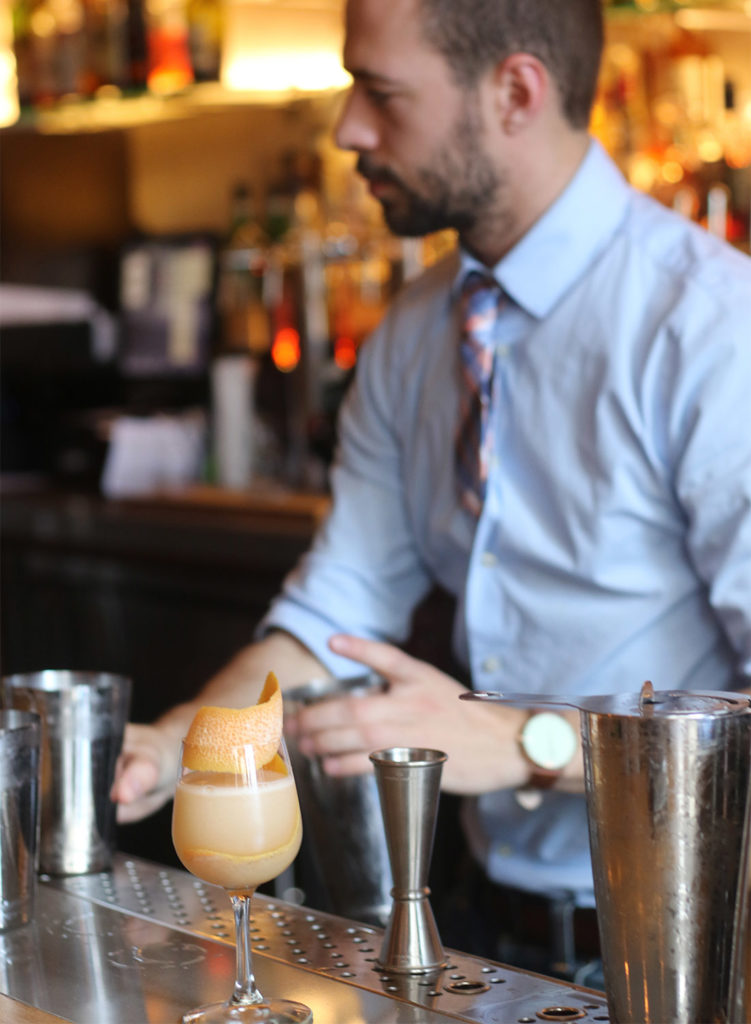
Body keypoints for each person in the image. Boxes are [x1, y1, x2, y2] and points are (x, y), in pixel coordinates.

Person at [113, 0, 751, 980]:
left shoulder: (708, 332)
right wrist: (175, 743)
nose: (346, 129)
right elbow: (328, 614)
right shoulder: (415, 336)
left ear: (515, 92)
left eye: (382, 91)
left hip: (687, 949)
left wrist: (531, 742)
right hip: (479, 935)